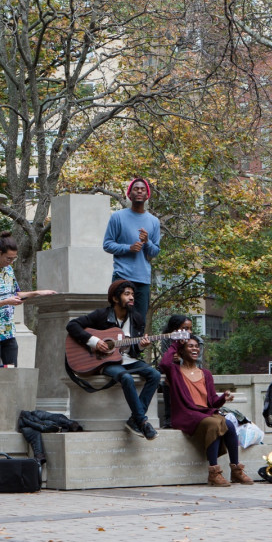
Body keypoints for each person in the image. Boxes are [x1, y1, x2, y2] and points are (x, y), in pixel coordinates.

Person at [66, 279, 161, 439]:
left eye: (132, 294)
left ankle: (135, 420)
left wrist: (142, 346)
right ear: (115, 298)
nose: (131, 298)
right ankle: (143, 422)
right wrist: (95, 342)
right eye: (126, 294)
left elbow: (133, 350)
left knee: (155, 375)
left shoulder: (137, 318)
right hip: (104, 361)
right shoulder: (101, 315)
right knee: (125, 377)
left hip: (126, 359)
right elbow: (72, 325)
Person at [159, 337, 253, 486]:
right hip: (185, 414)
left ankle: (236, 470)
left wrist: (223, 397)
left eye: (197, 346)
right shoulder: (175, 372)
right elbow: (163, 363)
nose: (195, 349)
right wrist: (177, 343)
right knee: (214, 424)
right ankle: (213, 473)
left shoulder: (205, 374)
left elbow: (212, 401)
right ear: (182, 351)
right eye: (190, 346)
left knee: (229, 425)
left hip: (205, 412)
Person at [0, 231, 56, 366]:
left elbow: (16, 294)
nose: (11, 262)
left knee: (12, 370)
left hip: (8, 331)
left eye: (13, 259)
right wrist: (5, 302)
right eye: (8, 258)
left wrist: (38, 293)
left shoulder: (9, 271)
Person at [102, 177, 160, 323]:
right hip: (122, 276)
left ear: (147, 195)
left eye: (143, 189)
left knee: (139, 322)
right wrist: (129, 248)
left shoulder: (154, 221)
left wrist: (147, 242)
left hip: (143, 280)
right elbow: (107, 244)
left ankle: (135, 347)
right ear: (129, 194)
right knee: (118, 320)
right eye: (136, 189)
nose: (139, 191)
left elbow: (154, 252)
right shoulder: (117, 217)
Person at [159, 314, 198, 428]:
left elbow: (198, 362)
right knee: (167, 382)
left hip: (190, 371)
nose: (189, 331)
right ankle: (169, 419)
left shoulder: (195, 341)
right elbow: (165, 360)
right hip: (172, 372)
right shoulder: (167, 339)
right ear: (175, 329)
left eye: (190, 328)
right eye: (185, 328)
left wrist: (181, 359)